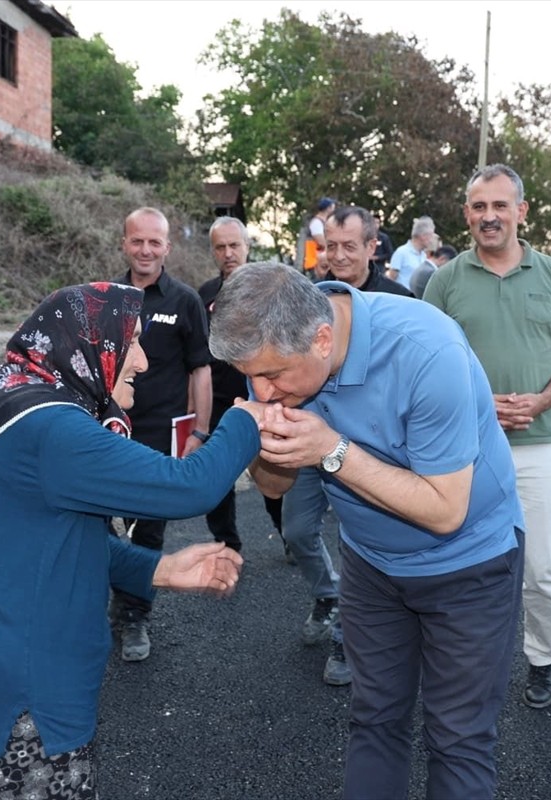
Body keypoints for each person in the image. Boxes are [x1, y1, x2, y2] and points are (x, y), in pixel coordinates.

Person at [0, 282, 261, 800]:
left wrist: (157, 570)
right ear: (89, 344)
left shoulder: (5, 394)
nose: (143, 361)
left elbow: (40, 542)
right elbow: (191, 485)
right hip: (17, 709)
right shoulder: (52, 429)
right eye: (133, 343)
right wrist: (247, 418)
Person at [211, 262, 524, 800]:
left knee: (458, 738)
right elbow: (274, 488)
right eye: (252, 375)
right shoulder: (273, 348)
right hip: (371, 564)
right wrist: (262, 439)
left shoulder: (427, 351)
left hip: (470, 563)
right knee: (374, 719)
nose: (262, 388)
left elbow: (446, 509)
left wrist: (331, 451)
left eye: (273, 377)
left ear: (323, 339)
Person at [422, 164, 551, 710]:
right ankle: (463, 665)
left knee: (542, 568)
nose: (488, 216)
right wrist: (476, 404)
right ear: (467, 214)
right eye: (478, 207)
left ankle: (542, 659)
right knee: (457, 563)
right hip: (463, 447)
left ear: (521, 211)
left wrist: (540, 401)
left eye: (499, 206)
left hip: (539, 444)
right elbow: (424, 359)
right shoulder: (444, 281)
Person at [287, 205, 412, 687]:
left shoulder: (400, 300)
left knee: (357, 541)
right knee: (297, 532)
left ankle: (345, 636)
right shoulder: (304, 299)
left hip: (371, 450)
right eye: (329, 246)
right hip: (309, 437)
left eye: (348, 246)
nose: (337, 256)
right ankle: (327, 593)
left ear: (371, 247)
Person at [111, 206, 213, 662]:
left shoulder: (185, 301)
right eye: (138, 241)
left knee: (149, 528)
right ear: (124, 243)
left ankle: (135, 615)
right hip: (109, 430)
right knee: (97, 521)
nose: (146, 250)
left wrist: (201, 431)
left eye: (155, 242)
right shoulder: (104, 297)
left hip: (161, 434)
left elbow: (201, 370)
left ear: (167, 247)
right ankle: (104, 596)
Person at [198, 216, 285, 554]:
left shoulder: (271, 290)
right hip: (219, 401)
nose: (228, 253)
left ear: (248, 247)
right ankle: (227, 545)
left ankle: (290, 536)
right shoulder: (204, 295)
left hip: (266, 398)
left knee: (273, 476)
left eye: (234, 245)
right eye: (220, 247)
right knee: (218, 478)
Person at [386, 215, 434, 290]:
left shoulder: (424, 255)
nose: (432, 240)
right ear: (423, 236)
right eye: (431, 236)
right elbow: (391, 279)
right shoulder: (401, 252)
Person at [297, 197, 336, 281]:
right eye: (333, 206)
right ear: (328, 208)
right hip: (315, 262)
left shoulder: (323, 222)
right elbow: (321, 242)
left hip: (322, 263)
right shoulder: (316, 223)